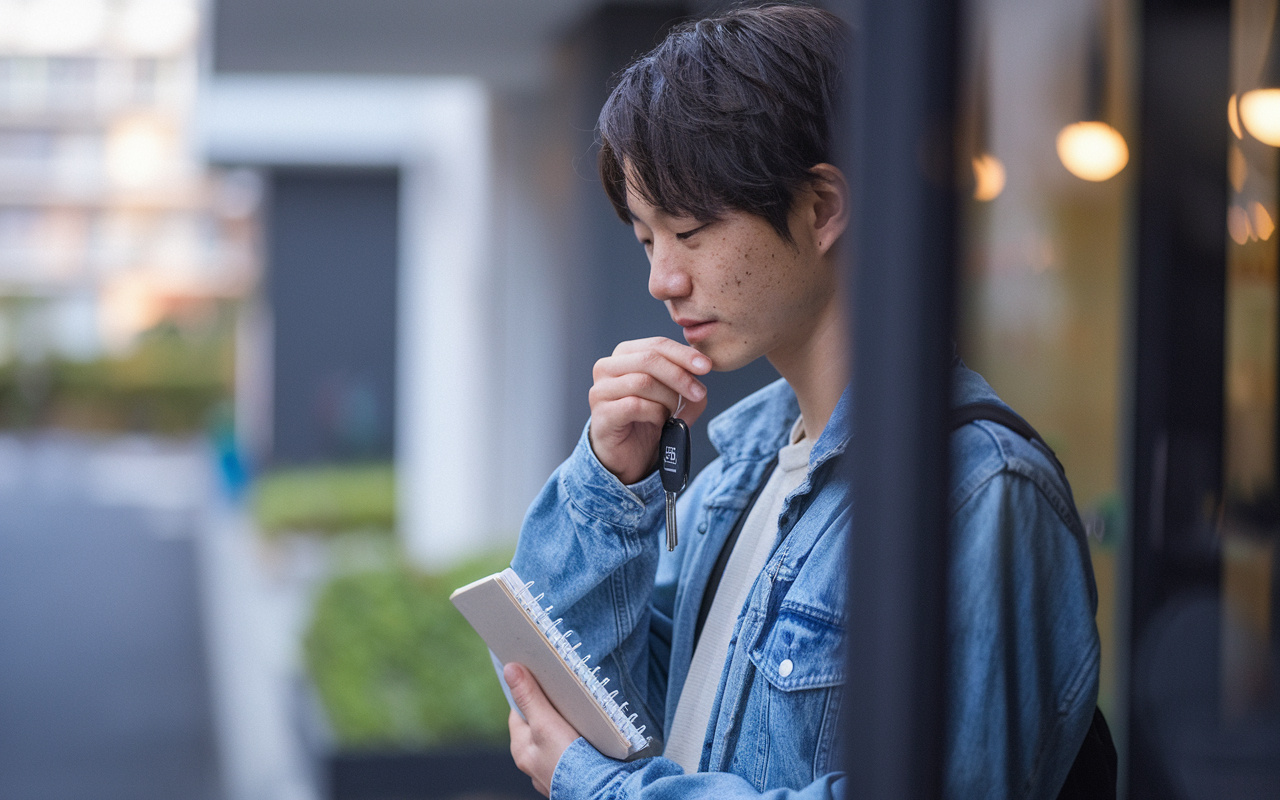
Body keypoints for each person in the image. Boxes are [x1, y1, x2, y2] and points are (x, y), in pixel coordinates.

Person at [502, 4, 1103, 799]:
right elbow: (562, 695)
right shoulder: (739, 475)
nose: (661, 281)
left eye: (689, 231)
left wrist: (605, 791)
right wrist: (610, 484)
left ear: (822, 209)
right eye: (647, 240)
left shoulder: (976, 492)